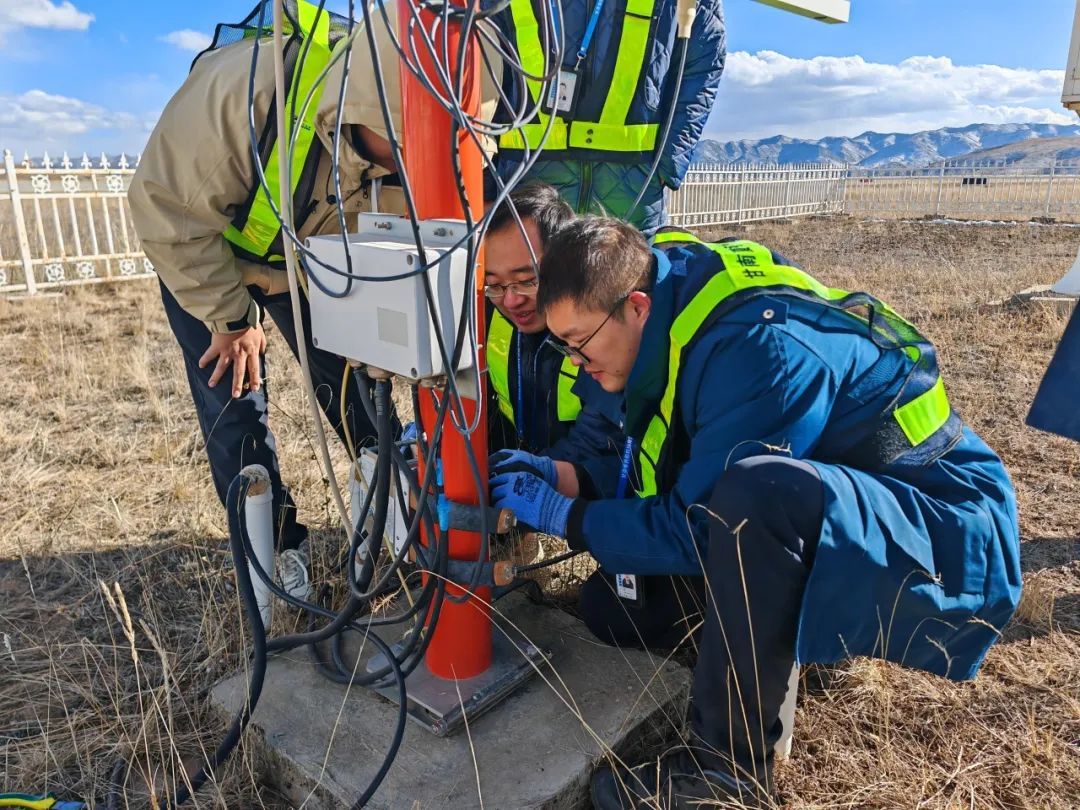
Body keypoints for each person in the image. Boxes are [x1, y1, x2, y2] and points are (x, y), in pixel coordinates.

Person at [489, 218, 1022, 807]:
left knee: (754, 494)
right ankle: (787, 634)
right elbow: (637, 440)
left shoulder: (757, 351)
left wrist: (568, 517)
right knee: (617, 609)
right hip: (834, 512)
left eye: (578, 342)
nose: (573, 359)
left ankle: (727, 771)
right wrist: (564, 476)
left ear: (634, 307)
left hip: (940, 530)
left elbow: (705, 524)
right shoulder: (655, 303)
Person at [131, 1, 500, 597]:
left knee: (359, 387)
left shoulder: (418, 156)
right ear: (369, 105)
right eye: (414, 137)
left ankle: (388, 512)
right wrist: (230, 319)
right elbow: (164, 209)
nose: (424, 157)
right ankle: (275, 554)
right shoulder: (246, 93)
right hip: (209, 257)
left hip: (309, 264)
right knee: (237, 408)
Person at [492, 0, 726, 231]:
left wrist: (669, 164)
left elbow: (703, 57)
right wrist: (484, 176)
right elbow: (475, 54)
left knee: (627, 268)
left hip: (632, 188)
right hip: (524, 186)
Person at [484, 185, 625, 503]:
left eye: (527, 280)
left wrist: (521, 479)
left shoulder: (601, 329)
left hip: (582, 480)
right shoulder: (486, 313)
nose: (511, 299)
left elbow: (600, 439)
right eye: (494, 284)